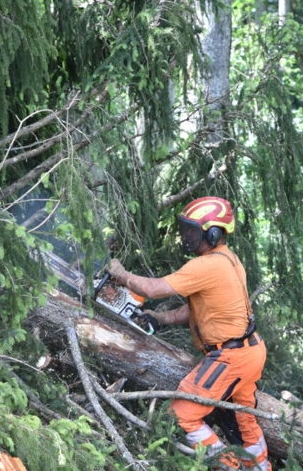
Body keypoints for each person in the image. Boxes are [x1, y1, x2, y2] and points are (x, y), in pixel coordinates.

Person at [108, 197, 270, 471]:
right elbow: (201, 307)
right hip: (249, 351)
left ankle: (228, 466)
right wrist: (161, 318)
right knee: (243, 418)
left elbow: (153, 289)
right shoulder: (226, 260)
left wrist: (119, 273)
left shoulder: (207, 265)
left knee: (183, 415)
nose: (186, 237)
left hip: (230, 358)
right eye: (186, 230)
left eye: (192, 231)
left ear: (214, 233)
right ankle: (261, 467)